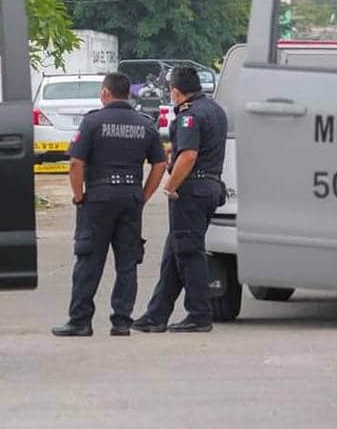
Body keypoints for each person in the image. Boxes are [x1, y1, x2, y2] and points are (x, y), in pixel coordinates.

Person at [52, 72, 167, 337]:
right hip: (130, 198)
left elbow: (75, 163)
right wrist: (143, 195)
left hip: (98, 198)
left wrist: (79, 196)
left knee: (89, 260)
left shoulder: (93, 122)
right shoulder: (145, 124)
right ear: (129, 93)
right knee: (127, 263)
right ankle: (122, 322)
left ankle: (80, 321)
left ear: (105, 93)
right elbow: (160, 164)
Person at [132, 66, 228, 333]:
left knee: (189, 252)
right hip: (210, 186)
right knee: (174, 253)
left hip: (192, 189)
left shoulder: (189, 115)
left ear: (175, 92)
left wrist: (169, 187)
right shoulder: (214, 110)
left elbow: (189, 156)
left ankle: (199, 315)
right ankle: (156, 315)